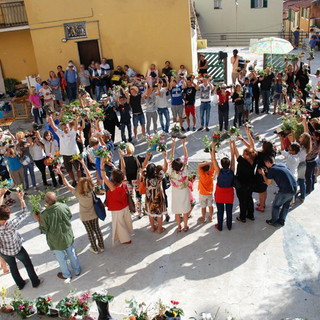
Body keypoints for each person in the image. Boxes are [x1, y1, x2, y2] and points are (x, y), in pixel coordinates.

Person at [57, 159, 104, 254]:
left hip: (84, 216)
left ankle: (94, 248)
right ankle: (101, 246)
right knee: (97, 230)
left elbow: (67, 184)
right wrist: (83, 163)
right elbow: (89, 176)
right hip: (94, 213)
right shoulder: (91, 190)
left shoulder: (77, 193)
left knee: (90, 232)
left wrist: (61, 174)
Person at [0, 189, 42, 289]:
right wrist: (21, 199)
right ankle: (35, 282)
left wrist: (1, 195)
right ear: (8, 216)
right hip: (17, 248)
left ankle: (20, 284)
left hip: (4, 251)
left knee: (13, 267)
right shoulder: (11, 223)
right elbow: (24, 213)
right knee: (27, 264)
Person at [34, 192, 81, 280]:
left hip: (55, 240)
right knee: (72, 253)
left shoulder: (45, 214)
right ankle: (77, 270)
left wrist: (38, 220)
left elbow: (44, 229)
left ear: (46, 202)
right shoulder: (63, 206)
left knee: (61, 259)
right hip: (67, 236)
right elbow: (69, 216)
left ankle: (67, 275)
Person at [100, 158, 133, 245]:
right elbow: (122, 171)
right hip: (125, 206)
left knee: (120, 225)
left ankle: (126, 239)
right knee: (125, 221)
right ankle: (127, 234)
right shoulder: (124, 182)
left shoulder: (112, 187)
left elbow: (104, 176)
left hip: (117, 209)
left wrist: (101, 163)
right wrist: (114, 166)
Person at [259, 156, 297, 227]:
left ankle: (274, 221)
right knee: (286, 205)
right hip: (294, 188)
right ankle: (282, 220)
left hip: (285, 191)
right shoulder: (281, 165)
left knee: (276, 205)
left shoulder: (272, 170)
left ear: (267, 162)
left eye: (265, 163)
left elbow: (268, 183)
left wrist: (263, 174)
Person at [48, 115, 81, 187]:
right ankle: (74, 181)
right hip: (65, 155)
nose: (66, 129)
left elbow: (75, 126)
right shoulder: (60, 133)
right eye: (64, 128)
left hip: (75, 154)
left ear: (69, 127)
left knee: (78, 169)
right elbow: (54, 127)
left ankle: (80, 180)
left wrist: (76, 119)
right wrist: (50, 118)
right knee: (69, 170)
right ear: (62, 128)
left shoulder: (72, 133)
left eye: (66, 127)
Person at [168, 138, 191, 232]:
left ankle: (178, 226)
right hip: (184, 192)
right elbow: (186, 156)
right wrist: (184, 144)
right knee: (185, 211)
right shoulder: (184, 170)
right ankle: (185, 226)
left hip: (175, 192)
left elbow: (170, 156)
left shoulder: (171, 171)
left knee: (177, 211)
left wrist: (173, 144)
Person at [212, 140, 235, 231]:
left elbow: (213, 159)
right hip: (229, 193)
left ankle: (220, 226)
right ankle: (229, 226)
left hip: (220, 193)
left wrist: (213, 147)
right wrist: (231, 144)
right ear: (229, 164)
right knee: (229, 211)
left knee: (220, 211)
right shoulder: (232, 170)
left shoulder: (219, 171)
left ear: (221, 164)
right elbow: (233, 157)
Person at [232, 141, 257, 223]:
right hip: (251, 184)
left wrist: (233, 143)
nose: (243, 155)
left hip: (242, 185)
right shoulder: (254, 161)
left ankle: (242, 217)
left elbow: (236, 154)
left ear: (248, 156)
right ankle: (251, 215)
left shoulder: (243, 162)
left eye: (244, 154)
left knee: (242, 201)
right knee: (249, 199)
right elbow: (252, 146)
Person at [144, 152, 168, 233]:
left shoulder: (145, 177)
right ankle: (160, 229)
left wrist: (147, 158)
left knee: (150, 214)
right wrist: (165, 157)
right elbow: (165, 169)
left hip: (149, 198)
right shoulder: (158, 178)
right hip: (158, 199)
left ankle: (153, 228)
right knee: (159, 214)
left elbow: (142, 167)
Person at [197, 150, 215, 223]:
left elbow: (199, 166)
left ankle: (203, 217)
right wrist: (211, 155)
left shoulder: (202, 174)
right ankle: (210, 217)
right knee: (210, 206)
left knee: (203, 207)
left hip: (202, 193)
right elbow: (214, 163)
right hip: (209, 194)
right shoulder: (211, 174)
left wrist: (208, 162)